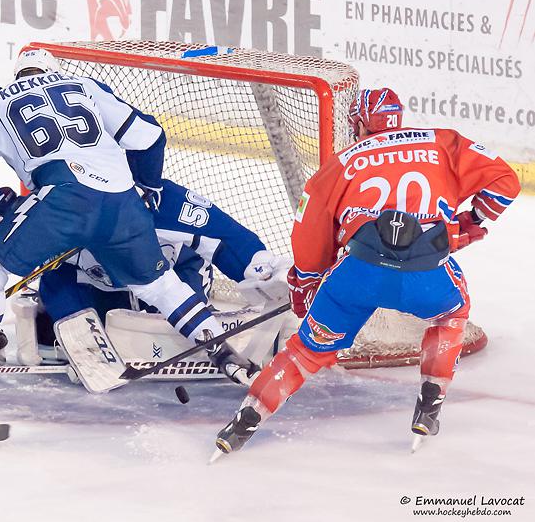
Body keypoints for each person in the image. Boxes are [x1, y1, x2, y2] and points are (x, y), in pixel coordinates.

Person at [0, 48, 259, 393]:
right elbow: (149, 136)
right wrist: (148, 188)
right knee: (160, 286)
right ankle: (222, 350)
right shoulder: (85, 84)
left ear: (19, 75)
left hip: (64, 198)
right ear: (55, 70)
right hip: (122, 200)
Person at [213, 88, 522, 456]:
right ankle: (429, 405)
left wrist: (306, 284)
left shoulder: (340, 164)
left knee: (304, 352)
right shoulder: (442, 143)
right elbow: (506, 182)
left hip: (357, 277)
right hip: (427, 276)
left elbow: (308, 236)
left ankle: (243, 423)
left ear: (359, 123)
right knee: (451, 315)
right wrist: (471, 221)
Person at [26, 178, 290, 363]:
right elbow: (51, 271)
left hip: (173, 275)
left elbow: (229, 238)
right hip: (97, 283)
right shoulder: (61, 208)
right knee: (70, 330)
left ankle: (212, 326)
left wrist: (262, 271)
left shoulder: (167, 204)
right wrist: (72, 325)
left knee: (180, 336)